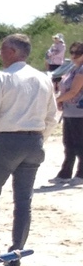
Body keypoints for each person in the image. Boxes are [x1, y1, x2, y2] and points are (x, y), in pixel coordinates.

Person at [0, 33, 57, 254]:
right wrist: (40, 138)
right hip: (34, 141)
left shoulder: (1, 77)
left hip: (6, 140)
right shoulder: (43, 78)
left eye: (2, 50)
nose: (0, 54)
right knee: (23, 199)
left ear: (12, 52)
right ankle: (17, 247)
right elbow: (52, 117)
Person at [52, 41, 83, 183]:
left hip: (79, 112)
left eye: (78, 53)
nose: (74, 56)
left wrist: (56, 100)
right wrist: (61, 101)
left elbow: (74, 91)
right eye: (72, 52)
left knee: (79, 144)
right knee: (68, 144)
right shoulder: (73, 68)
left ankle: (81, 174)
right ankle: (65, 173)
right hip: (70, 111)